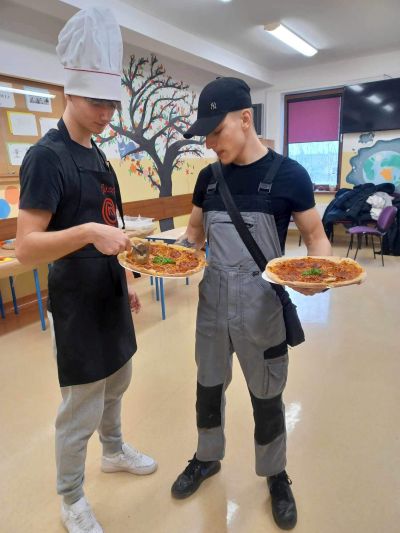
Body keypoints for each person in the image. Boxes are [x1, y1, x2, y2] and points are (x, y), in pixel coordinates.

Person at [16, 7, 156, 533]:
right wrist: (89, 234)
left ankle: (114, 451)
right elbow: (27, 248)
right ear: (69, 93)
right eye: (97, 102)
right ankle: (71, 496)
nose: (106, 114)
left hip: (109, 294)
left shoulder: (98, 155)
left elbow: (111, 224)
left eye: (111, 103)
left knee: (119, 380)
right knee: (80, 406)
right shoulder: (46, 157)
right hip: (75, 303)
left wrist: (126, 279)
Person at [170, 77, 332, 530]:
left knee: (266, 395)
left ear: (246, 119)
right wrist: (172, 256)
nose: (209, 143)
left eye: (215, 131)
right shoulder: (208, 179)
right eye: (204, 135)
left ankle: (275, 474)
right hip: (211, 306)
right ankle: (207, 457)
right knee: (207, 388)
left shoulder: (289, 175)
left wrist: (317, 275)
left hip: (262, 307)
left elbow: (316, 237)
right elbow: (194, 235)